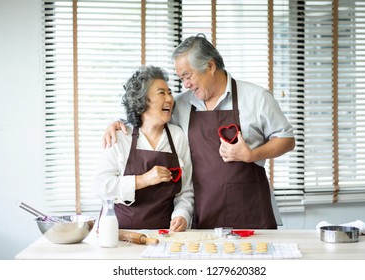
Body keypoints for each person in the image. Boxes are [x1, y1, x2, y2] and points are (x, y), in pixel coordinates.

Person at [103, 34, 295, 229]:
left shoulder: (257, 98)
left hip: (250, 209)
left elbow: (286, 139)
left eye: (188, 76)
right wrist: (119, 122)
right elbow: (148, 117)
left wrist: (251, 154)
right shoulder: (181, 104)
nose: (185, 84)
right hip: (203, 213)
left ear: (210, 66)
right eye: (181, 78)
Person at [93, 65, 194, 232]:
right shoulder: (119, 136)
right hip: (121, 234)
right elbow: (101, 187)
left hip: (165, 235)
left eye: (170, 93)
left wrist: (182, 214)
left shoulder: (177, 136)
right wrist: (143, 180)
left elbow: (186, 191)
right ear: (142, 100)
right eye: (162, 93)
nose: (170, 99)